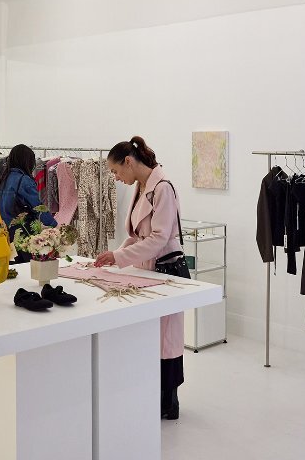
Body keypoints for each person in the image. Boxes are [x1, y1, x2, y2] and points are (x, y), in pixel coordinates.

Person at [96, 136, 185, 420]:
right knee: (149, 334)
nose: (115, 177)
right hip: (146, 267)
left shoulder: (163, 188)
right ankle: (150, 394)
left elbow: (159, 238)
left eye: (115, 171)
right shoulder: (141, 187)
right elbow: (136, 235)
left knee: (166, 338)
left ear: (129, 162)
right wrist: (115, 255)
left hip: (165, 268)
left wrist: (118, 258)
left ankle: (168, 401)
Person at [0, 144, 57, 263]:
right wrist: (53, 225)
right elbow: (37, 206)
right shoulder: (23, 180)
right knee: (28, 267)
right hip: (24, 231)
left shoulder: (4, 177)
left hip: (6, 230)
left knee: (13, 267)